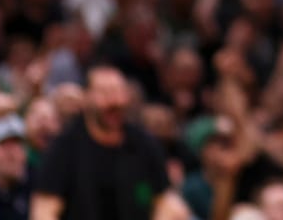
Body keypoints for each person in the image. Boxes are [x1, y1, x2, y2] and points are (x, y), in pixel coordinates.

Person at [32, 65, 177, 220]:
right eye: (105, 93)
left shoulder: (144, 143)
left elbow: (166, 201)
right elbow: (44, 210)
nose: (114, 101)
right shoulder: (65, 147)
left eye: (119, 92)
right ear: (86, 98)